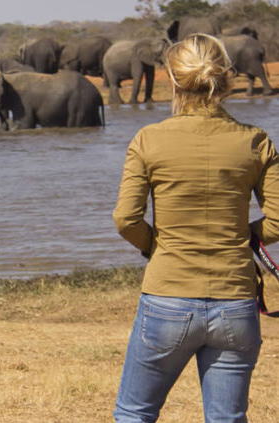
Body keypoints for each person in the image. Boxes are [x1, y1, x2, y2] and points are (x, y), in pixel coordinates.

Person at [112, 33, 279, 422]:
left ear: (172, 79)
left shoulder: (147, 140)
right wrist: (247, 235)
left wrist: (156, 245)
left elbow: (125, 219)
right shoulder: (255, 141)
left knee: (134, 414)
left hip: (167, 298)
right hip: (236, 303)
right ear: (225, 78)